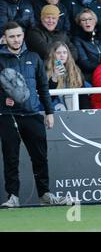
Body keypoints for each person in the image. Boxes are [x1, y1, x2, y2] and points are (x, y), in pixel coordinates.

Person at [0, 22, 69, 207]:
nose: (16, 39)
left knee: (40, 157)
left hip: (32, 114)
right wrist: (2, 100)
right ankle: (13, 197)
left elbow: (43, 87)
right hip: (8, 115)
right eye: (11, 36)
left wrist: (49, 112)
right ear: (4, 38)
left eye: (18, 35)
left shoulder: (34, 57)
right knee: (11, 157)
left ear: (23, 36)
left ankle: (45, 195)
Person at [45, 41, 89, 111]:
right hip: (57, 112)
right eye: (58, 53)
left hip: (75, 110)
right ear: (53, 55)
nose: (62, 55)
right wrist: (54, 77)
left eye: (65, 52)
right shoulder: (47, 71)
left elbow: (83, 96)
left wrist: (85, 112)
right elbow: (49, 98)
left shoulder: (75, 70)